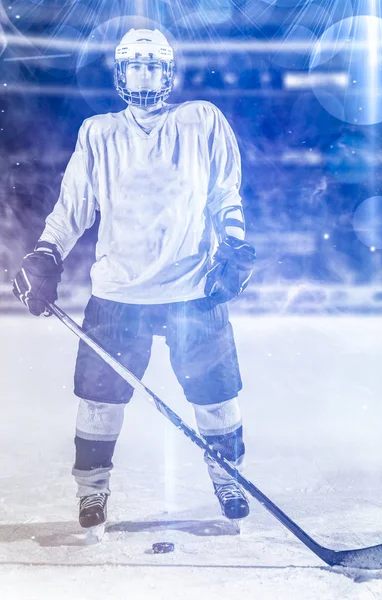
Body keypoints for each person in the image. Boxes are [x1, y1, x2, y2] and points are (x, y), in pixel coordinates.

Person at [12, 28, 255, 530]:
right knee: (99, 400)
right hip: (119, 293)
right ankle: (92, 490)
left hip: (192, 288)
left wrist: (233, 245)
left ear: (168, 73)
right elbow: (72, 207)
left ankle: (226, 473)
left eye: (153, 66)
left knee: (217, 396)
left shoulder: (202, 120)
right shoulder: (98, 132)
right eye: (135, 66)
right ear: (120, 74)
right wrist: (46, 253)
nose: (144, 75)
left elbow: (225, 194)